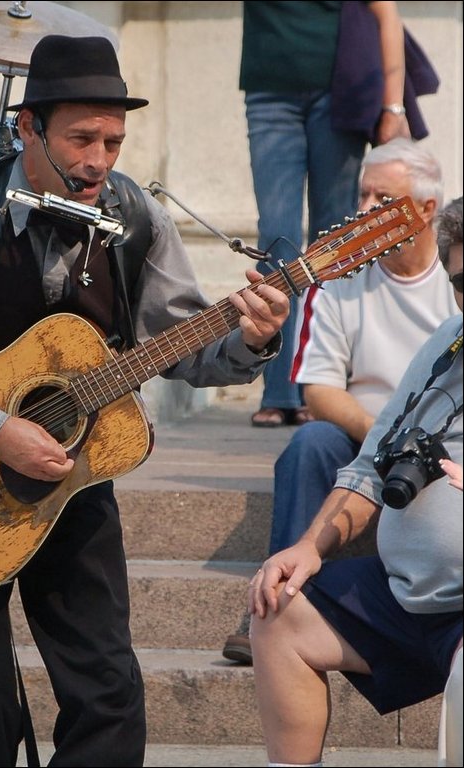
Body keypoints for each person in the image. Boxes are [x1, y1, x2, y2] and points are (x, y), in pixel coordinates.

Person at [0, 35, 290, 767]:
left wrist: (250, 341)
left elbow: (185, 349)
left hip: (73, 482)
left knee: (109, 693)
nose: (99, 161)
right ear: (28, 128)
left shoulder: (138, 219)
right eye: (81, 138)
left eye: (113, 141)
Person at [222, 137, 459, 664]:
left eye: (383, 199)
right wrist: (389, 438)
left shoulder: (456, 277)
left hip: (450, 446)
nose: (365, 211)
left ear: (425, 210)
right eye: (364, 195)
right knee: (310, 442)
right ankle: (279, 597)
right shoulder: (339, 277)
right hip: (365, 435)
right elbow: (318, 391)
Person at [248, 195, 463, 767]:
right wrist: (307, 548)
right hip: (407, 594)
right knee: (279, 608)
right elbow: (370, 464)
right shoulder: (449, 340)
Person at [240, 0, 410, 428]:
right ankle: (280, 390)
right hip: (270, 91)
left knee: (336, 246)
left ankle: (327, 389)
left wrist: (394, 108)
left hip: (342, 92)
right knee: (277, 236)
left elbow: (386, 12)